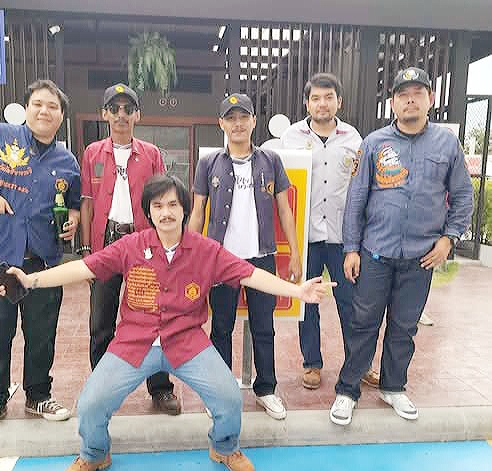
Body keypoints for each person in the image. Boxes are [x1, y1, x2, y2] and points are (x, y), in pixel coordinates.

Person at [0, 175, 335, 471]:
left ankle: (224, 447)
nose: (166, 212)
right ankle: (94, 454)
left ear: (184, 210)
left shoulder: (206, 251)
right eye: (157, 206)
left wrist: (297, 291)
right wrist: (31, 280)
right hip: (134, 341)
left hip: (187, 341)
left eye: (172, 205)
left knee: (229, 397)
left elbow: (251, 274)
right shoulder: (130, 246)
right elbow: (83, 268)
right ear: (148, 213)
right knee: (91, 403)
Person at [329, 67, 473, 425]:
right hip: (375, 254)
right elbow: (356, 199)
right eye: (403, 95)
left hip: (421, 258)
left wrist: (449, 238)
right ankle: (348, 390)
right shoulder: (374, 143)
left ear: (430, 99)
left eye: (417, 93)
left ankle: (393, 387)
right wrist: (351, 249)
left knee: (404, 327)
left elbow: (462, 196)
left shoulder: (447, 145)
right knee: (363, 323)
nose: (410, 100)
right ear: (392, 103)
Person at [0, 79, 80, 436]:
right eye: (38, 104)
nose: (44, 111)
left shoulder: (67, 161)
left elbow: (73, 205)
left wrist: (72, 221)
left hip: (41, 260)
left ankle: (38, 395)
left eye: (53, 106)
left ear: (61, 116)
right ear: (26, 109)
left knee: (42, 333)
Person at [189, 93, 302, 420]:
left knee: (264, 327)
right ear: (221, 124)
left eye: (243, 117)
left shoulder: (271, 161)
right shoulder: (209, 163)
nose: (237, 124)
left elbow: (284, 210)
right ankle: (221, 392)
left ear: (254, 121)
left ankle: (266, 389)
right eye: (231, 118)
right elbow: (198, 212)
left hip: (261, 258)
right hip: (221, 261)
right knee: (221, 327)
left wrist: (295, 253)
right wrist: (190, 257)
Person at [79, 83, 180, 415]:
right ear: (104, 114)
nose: (121, 115)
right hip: (106, 244)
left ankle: (160, 388)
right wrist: (87, 249)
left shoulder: (150, 154)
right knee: (101, 322)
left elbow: (162, 201)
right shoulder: (93, 153)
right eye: (114, 108)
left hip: (142, 245)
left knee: (152, 318)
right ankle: (101, 389)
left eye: (128, 109)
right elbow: (87, 203)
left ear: (137, 115)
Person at [281, 73, 379, 390]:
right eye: (316, 98)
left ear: (339, 101)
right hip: (306, 236)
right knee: (307, 303)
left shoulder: (354, 139)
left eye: (328, 97)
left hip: (343, 238)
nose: (322, 103)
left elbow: (362, 189)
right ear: (306, 103)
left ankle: (359, 364)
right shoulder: (291, 137)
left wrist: (359, 241)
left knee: (351, 304)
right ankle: (311, 363)